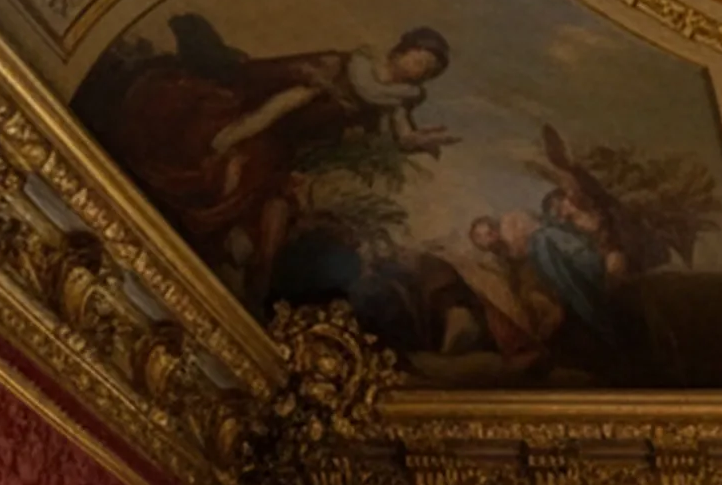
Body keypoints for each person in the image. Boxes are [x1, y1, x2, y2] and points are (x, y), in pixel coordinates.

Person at [89, 23, 457, 302]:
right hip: (267, 125)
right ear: (402, 50)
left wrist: (421, 141)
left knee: (275, 201)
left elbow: (402, 134)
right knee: (241, 171)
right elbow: (283, 102)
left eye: (428, 70)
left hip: (289, 144)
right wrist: (236, 133)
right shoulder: (345, 68)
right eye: (419, 59)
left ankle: (250, 272)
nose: (419, 70)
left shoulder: (395, 98)